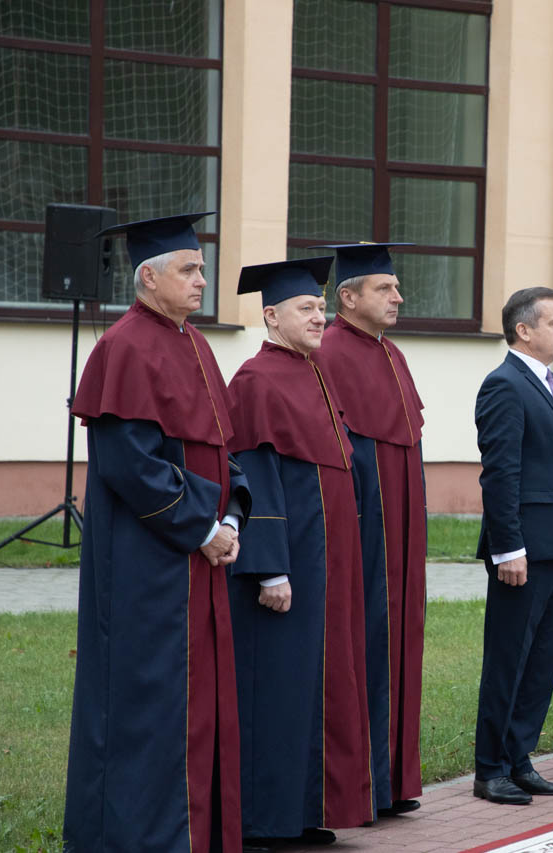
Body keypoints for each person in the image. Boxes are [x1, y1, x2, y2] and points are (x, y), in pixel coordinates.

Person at [64, 212, 250, 853]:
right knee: (148, 704)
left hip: (200, 559)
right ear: (148, 277)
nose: (203, 280)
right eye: (189, 269)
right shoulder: (124, 345)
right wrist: (201, 527)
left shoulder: (195, 344)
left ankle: (200, 836)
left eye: (202, 267)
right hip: (147, 563)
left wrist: (229, 519)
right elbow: (129, 463)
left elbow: (222, 449)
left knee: (202, 701)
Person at [225, 257, 374, 845]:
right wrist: (270, 567)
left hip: (327, 564)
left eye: (320, 307)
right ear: (270, 315)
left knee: (321, 683)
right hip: (285, 568)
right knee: (278, 689)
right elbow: (255, 475)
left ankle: (306, 810)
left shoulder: (315, 372)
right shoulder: (256, 381)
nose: (319, 317)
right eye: (305, 309)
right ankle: (265, 820)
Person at [317, 243, 427, 817]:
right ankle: (361, 783)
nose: (398, 297)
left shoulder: (392, 353)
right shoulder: (330, 352)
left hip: (402, 534)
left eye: (398, 286)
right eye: (385, 288)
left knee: (400, 638)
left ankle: (392, 780)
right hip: (364, 529)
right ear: (349, 296)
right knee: (364, 641)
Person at [473, 287, 553, 805]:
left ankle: (520, 761)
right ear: (524, 330)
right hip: (523, 552)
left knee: (541, 661)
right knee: (509, 659)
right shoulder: (504, 385)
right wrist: (508, 548)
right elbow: (501, 475)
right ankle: (489, 768)